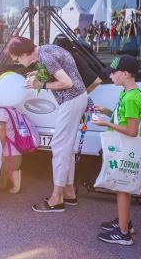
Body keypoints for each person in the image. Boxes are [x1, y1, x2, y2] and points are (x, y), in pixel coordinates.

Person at [6, 36, 87, 212]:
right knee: (66, 148)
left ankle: (56, 199)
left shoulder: (45, 57)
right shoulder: (45, 50)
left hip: (71, 100)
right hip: (77, 98)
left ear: (24, 53)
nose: (17, 62)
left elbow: (67, 82)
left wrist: (41, 84)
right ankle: (69, 192)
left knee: (58, 147)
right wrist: (39, 78)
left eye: (17, 58)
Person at [92, 55, 141, 245]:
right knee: (121, 187)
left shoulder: (131, 98)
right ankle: (125, 223)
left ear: (125, 73)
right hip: (121, 147)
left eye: (113, 73)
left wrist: (106, 123)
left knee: (122, 188)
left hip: (124, 148)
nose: (111, 76)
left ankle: (123, 234)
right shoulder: (127, 92)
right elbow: (122, 117)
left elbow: (131, 130)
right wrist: (107, 111)